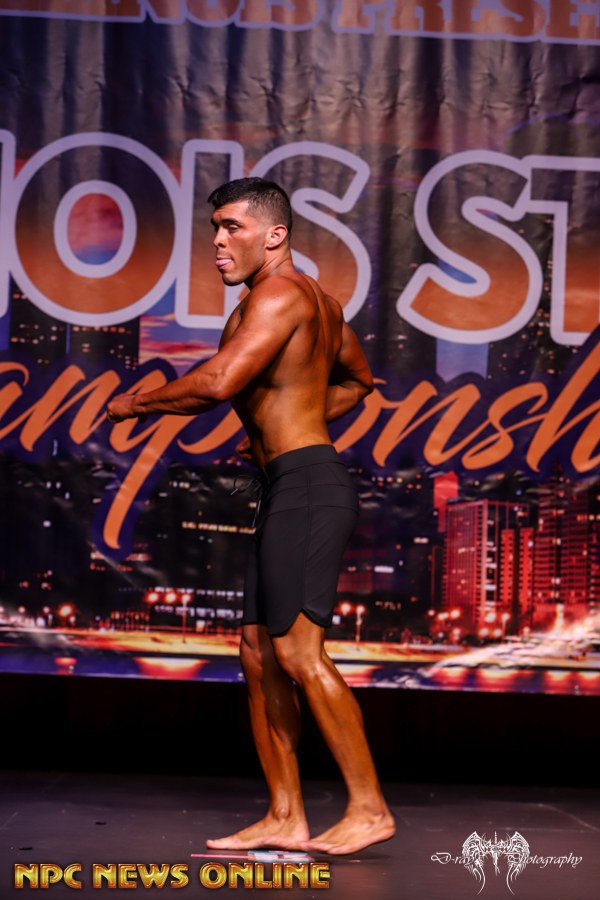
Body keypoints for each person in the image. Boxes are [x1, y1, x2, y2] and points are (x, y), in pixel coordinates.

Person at [106, 177, 395, 855]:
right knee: (259, 655)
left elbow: (217, 382)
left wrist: (135, 404)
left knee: (297, 653)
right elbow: (357, 381)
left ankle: (369, 807)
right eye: (214, 228)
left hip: (309, 488)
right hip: (286, 484)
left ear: (275, 234)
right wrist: (284, 421)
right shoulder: (318, 303)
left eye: (232, 227)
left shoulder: (281, 295)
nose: (217, 241)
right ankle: (285, 814)